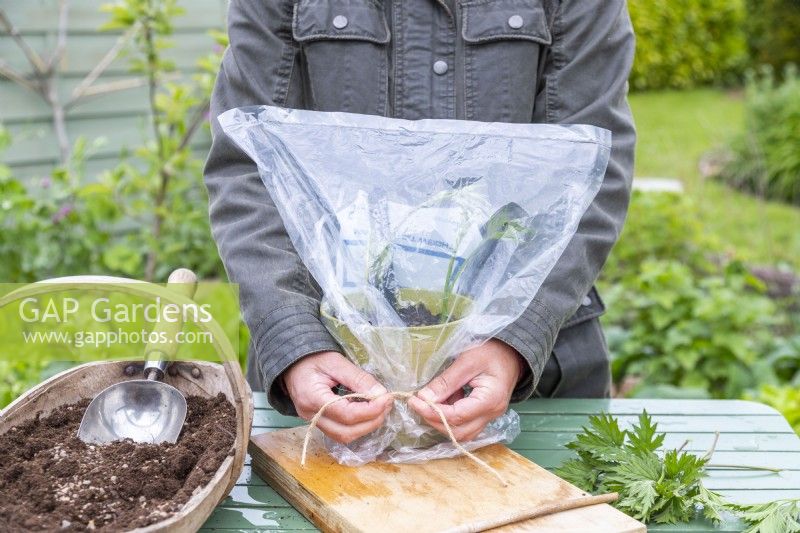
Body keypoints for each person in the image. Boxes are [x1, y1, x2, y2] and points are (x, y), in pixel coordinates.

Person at [204, 0, 635, 445]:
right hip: (325, 383)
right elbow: (247, 164)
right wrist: (295, 340)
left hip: (532, 383)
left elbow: (590, 168)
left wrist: (516, 343)